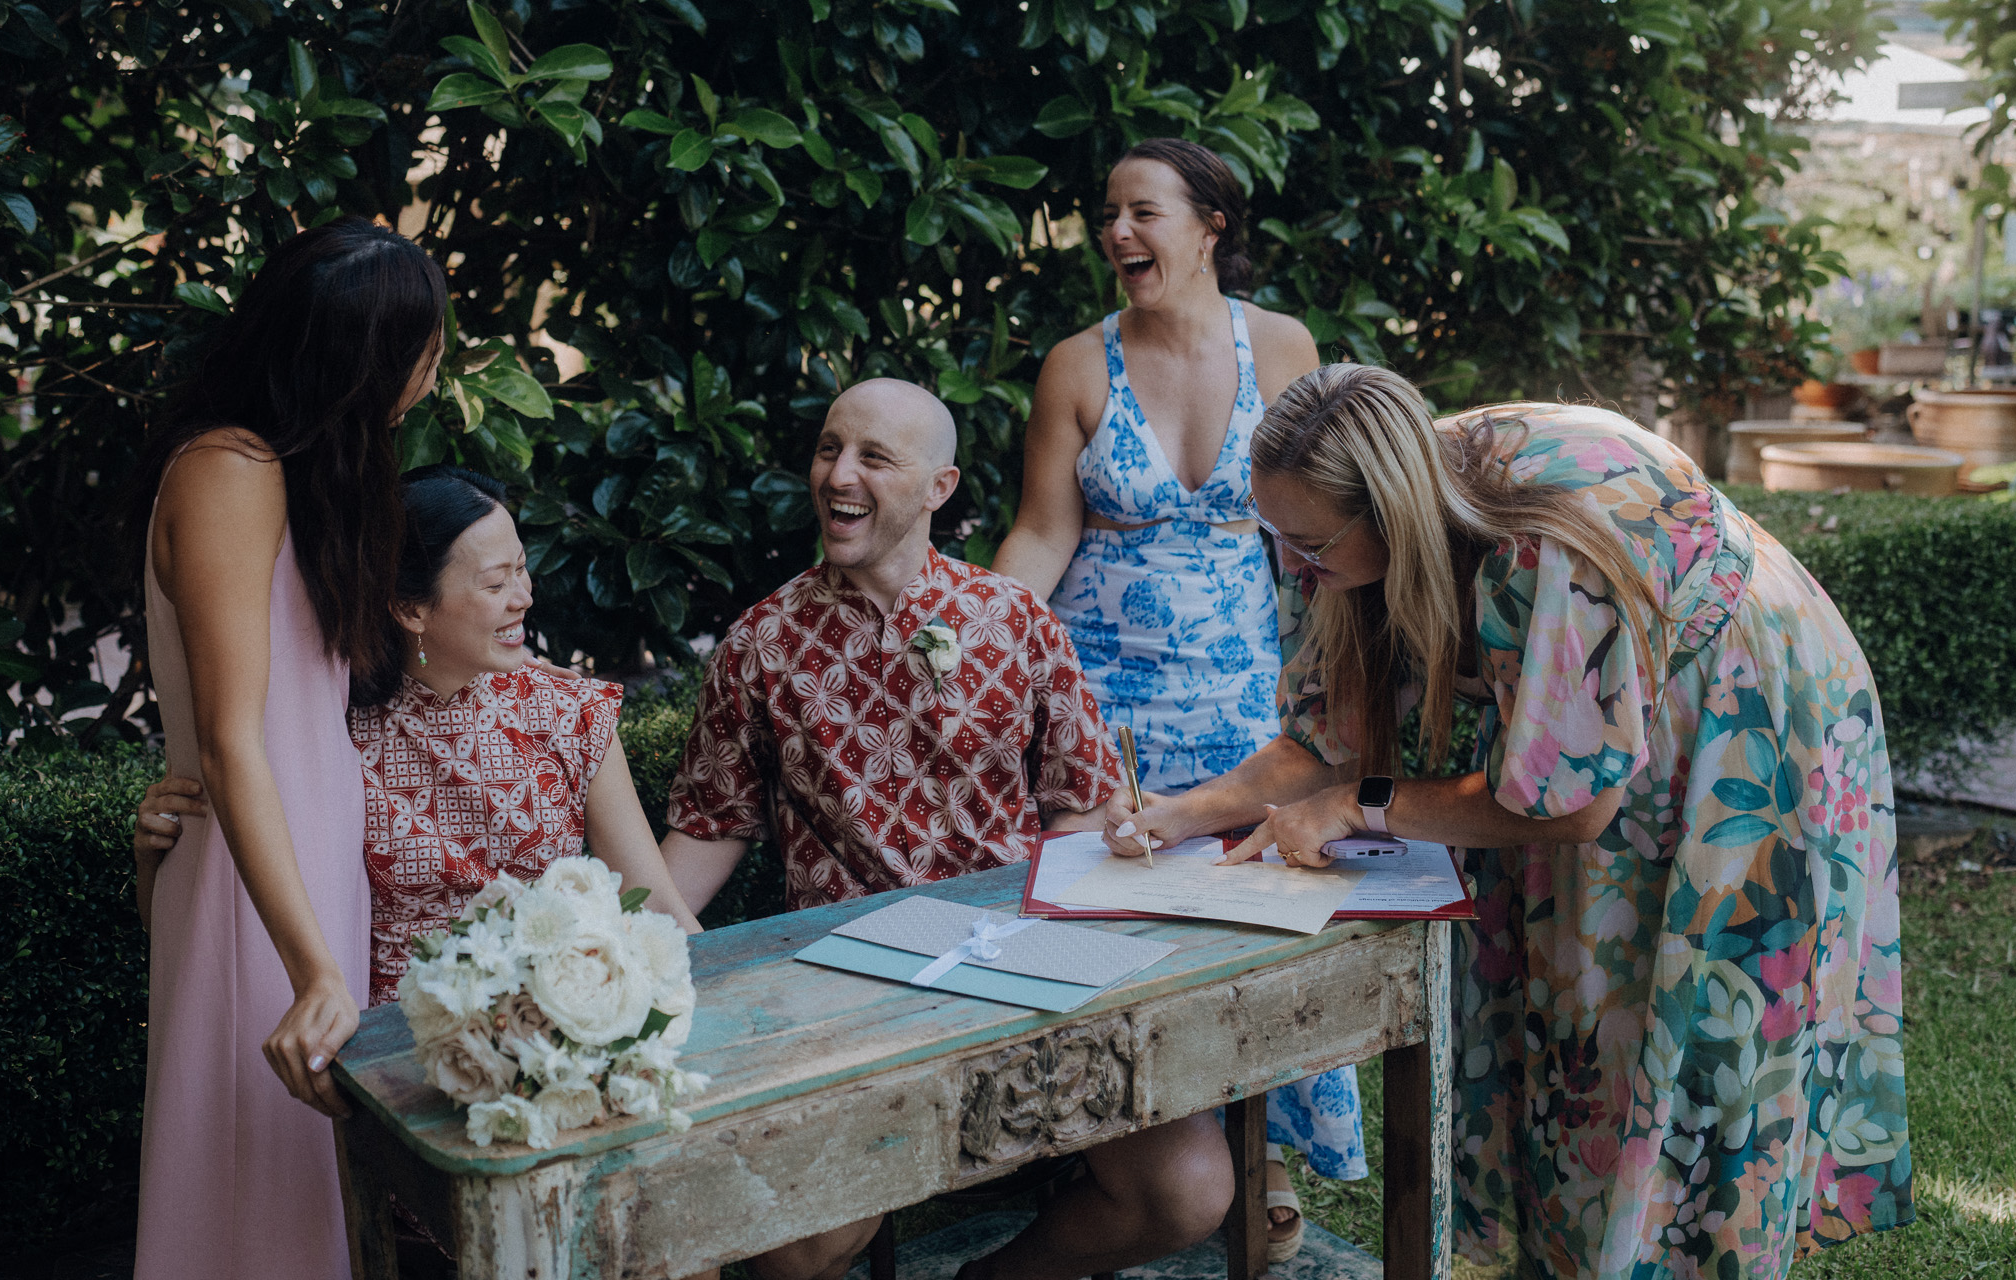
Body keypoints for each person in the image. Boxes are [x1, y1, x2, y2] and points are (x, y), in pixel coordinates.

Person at [1107, 365, 1912, 1279]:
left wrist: (1361, 806)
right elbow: (1323, 735)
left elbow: (1569, 810)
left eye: (1307, 544)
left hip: (1738, 716)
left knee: (1675, 1019)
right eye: (1275, 534)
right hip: (1600, 729)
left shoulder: (1542, 555)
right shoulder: (1331, 537)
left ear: (1389, 513)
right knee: (1564, 1015)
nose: (1289, 566)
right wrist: (1182, 812)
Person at [659, 378, 1235, 1280]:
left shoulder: (1013, 619)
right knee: (803, 1247)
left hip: (1019, 971)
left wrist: (1072, 921)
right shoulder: (761, 644)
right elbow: (704, 830)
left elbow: (1079, 804)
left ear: (940, 487)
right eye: (827, 449)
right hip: (854, 990)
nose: (837, 474)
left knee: (1189, 1189)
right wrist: (636, 941)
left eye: (873, 458)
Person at [990, 138, 1353, 1252]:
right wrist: (972, 637)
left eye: (1141, 211)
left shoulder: (1285, 345)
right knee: (1134, 925)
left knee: (1265, 922)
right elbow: (1047, 531)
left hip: (1248, 688)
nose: (1116, 234)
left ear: (1209, 226)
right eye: (1106, 213)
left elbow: (1317, 519)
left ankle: (1268, 1147)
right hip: (1108, 702)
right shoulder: (1075, 364)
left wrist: (1335, 676)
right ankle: (1132, 1143)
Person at [130, 217, 448, 1280]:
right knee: (249, 1198)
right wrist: (312, 965)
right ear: (363, 359)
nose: (430, 376)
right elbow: (230, 738)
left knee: (301, 1192)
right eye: (422, 350)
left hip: (302, 874)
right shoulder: (228, 468)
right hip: (254, 885)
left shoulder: (290, 474)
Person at [135, 464, 700, 1005]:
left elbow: (655, 906)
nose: (524, 597)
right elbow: (228, 941)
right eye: (496, 582)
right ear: (410, 608)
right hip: (385, 1046)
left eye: (522, 569)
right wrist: (153, 859)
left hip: (560, 1016)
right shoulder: (330, 733)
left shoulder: (569, 711)